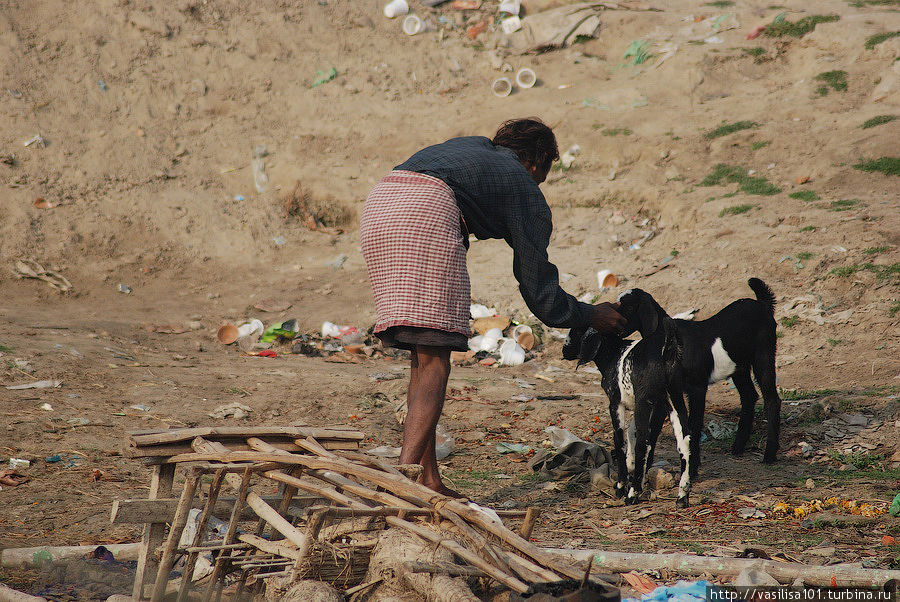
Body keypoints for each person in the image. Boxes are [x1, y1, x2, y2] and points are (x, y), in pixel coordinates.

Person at [360, 118, 626, 496]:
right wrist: (592, 314)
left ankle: (429, 480)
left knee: (424, 355)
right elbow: (541, 293)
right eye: (545, 171)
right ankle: (404, 483)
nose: (541, 182)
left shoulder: (469, 148)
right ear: (536, 162)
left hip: (380, 205)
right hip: (426, 214)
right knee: (435, 359)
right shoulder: (522, 183)